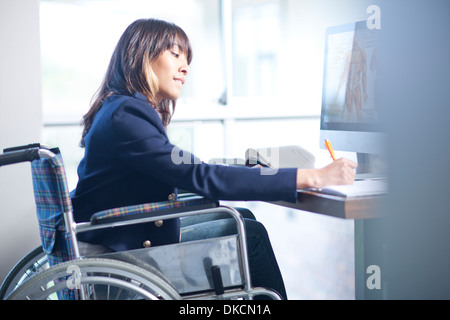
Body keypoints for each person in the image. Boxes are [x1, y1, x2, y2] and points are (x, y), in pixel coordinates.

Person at [70, 18, 357, 300]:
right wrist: (313, 176)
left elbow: (188, 171)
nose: (185, 67)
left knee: (242, 219)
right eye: (175, 55)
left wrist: (243, 174)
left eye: (187, 60)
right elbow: (201, 175)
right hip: (118, 255)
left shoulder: (120, 109)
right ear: (143, 56)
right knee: (249, 233)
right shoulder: (127, 117)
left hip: (119, 239)